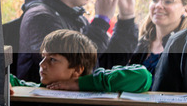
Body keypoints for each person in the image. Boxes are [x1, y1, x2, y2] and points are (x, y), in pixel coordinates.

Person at [15, 0, 136, 83]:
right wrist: (101, 20)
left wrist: (126, 18)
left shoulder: (75, 17)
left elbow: (106, 65)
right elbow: (74, 69)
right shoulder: (41, 18)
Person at [9, 29, 152, 93]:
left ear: (77, 70)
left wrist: (78, 84)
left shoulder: (95, 89)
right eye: (43, 57)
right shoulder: (40, 89)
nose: (42, 64)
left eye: (52, 59)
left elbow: (143, 76)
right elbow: (13, 81)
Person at [126, 0, 187, 73]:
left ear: (186, 10)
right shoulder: (140, 44)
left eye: (168, 1)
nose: (158, 5)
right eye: (154, 0)